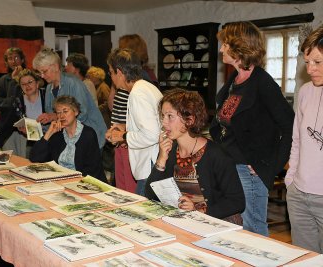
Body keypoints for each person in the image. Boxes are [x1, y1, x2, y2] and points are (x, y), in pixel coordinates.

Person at [209, 21, 295, 236]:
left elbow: (289, 124)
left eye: (225, 44)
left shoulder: (262, 83)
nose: (221, 49)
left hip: (249, 170)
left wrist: (272, 165)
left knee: (253, 229)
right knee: (233, 226)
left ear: (239, 47)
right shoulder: (234, 79)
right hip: (229, 165)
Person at [145, 89, 245, 221]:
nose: (164, 123)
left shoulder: (216, 154)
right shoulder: (170, 150)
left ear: (190, 120)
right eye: (163, 116)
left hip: (215, 224)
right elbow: (150, 194)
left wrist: (199, 210)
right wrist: (161, 159)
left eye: (170, 116)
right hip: (186, 221)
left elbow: (237, 202)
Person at [285, 25, 323, 253]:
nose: (310, 69)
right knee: (304, 259)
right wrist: (291, 181)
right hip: (299, 194)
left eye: (317, 62)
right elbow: (297, 139)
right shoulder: (306, 91)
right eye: (307, 62)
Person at [106, 48, 162, 196]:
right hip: (153, 160)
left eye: (110, 72)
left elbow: (152, 134)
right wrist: (125, 126)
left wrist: (123, 136)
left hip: (149, 163)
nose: (110, 77)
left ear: (119, 72)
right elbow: (152, 124)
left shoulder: (137, 94)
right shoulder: (145, 87)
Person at [32, 47, 107, 149]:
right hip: (70, 140)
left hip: (90, 138)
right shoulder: (49, 88)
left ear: (56, 66)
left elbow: (82, 114)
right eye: (39, 72)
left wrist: (54, 116)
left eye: (44, 71)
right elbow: (54, 123)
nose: (42, 76)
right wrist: (34, 129)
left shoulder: (73, 83)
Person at [30, 95, 107, 183]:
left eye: (65, 111)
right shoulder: (57, 134)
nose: (61, 115)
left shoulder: (88, 134)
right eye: (58, 113)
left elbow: (92, 170)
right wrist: (49, 133)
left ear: (76, 112)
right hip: (61, 181)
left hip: (84, 183)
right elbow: (35, 158)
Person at [0, 69, 45, 158]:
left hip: (51, 139)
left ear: (37, 83)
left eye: (30, 82)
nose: (27, 86)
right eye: (23, 84)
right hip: (32, 141)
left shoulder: (46, 95)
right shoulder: (18, 101)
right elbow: (8, 125)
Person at [0, 47, 27, 156]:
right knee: (9, 159)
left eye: (16, 57)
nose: (14, 61)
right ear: (6, 63)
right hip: (7, 129)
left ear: (22, 60)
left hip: (25, 128)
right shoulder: (3, 80)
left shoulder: (31, 78)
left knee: (26, 159)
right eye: (10, 59)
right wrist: (13, 81)